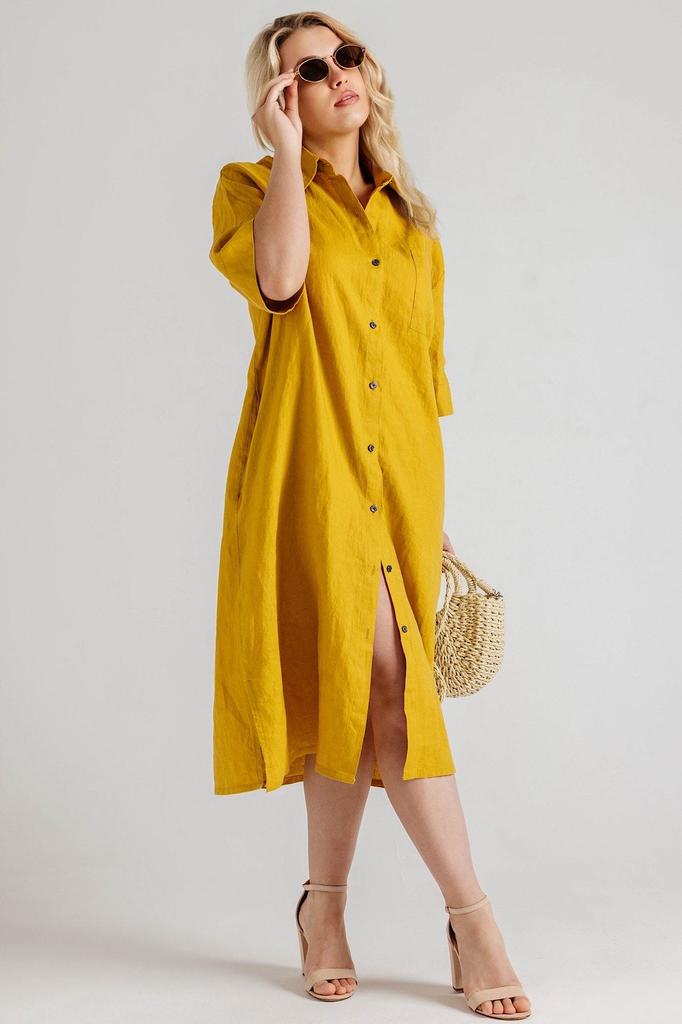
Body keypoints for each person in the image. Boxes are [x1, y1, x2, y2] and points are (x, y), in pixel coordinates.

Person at [208, 11, 532, 1019]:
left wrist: (426, 516)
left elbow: (418, 385)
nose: (337, 73)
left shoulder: (411, 219)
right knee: (375, 684)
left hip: (400, 492)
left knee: (352, 695)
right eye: (309, 69)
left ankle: (324, 908)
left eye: (344, 55)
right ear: (283, 98)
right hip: (307, 474)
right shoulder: (252, 188)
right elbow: (280, 283)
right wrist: (288, 157)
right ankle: (473, 918)